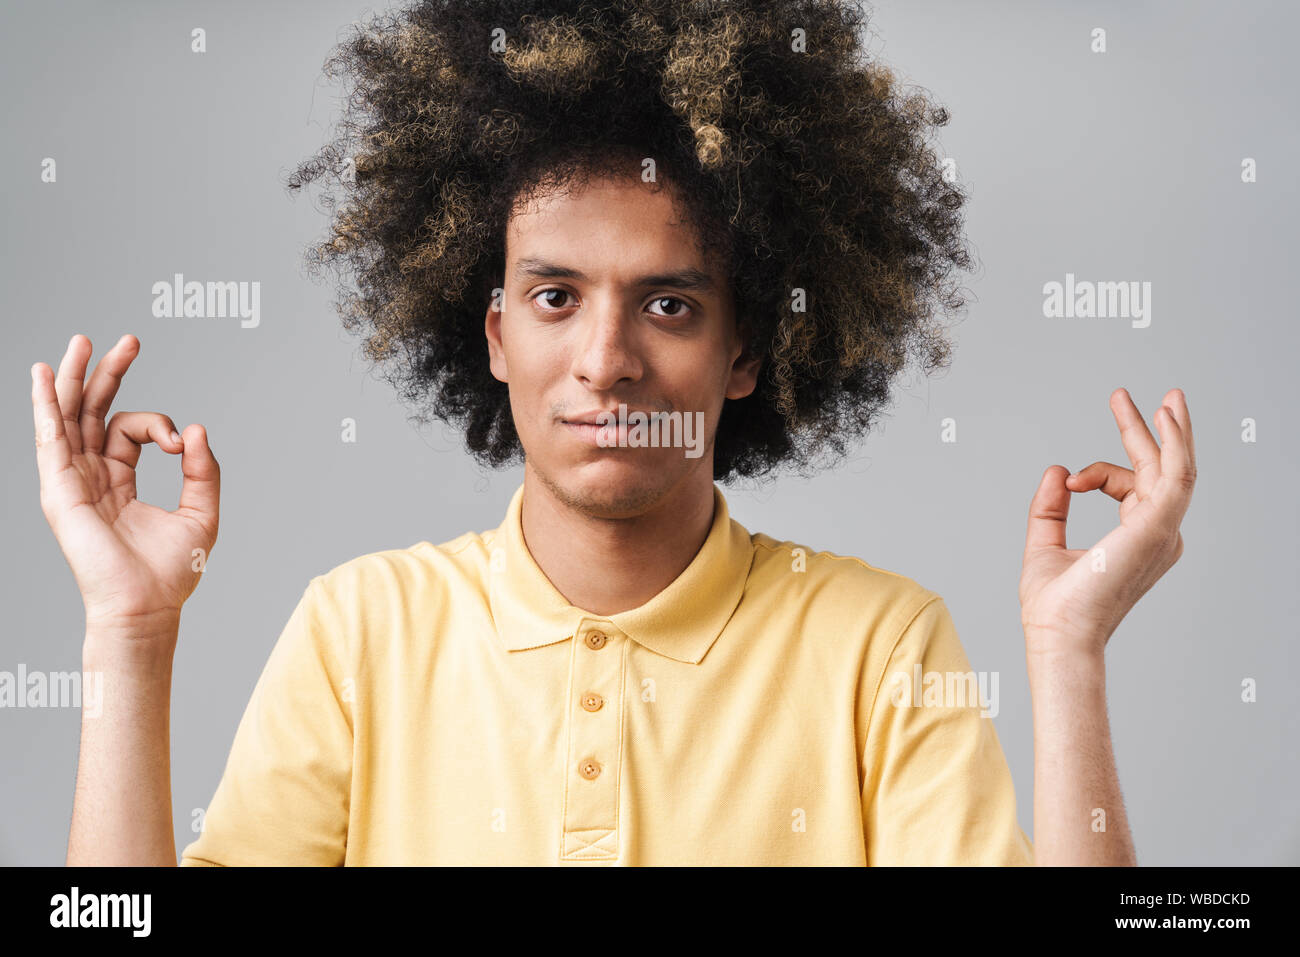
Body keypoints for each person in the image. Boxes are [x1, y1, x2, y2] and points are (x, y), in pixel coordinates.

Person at [31, 0, 1195, 865]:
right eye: (554, 298)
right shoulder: (360, 632)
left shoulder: (880, 648)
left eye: (670, 304)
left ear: (745, 353)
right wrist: (129, 633)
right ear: (494, 337)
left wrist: (1066, 651)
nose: (605, 359)